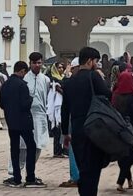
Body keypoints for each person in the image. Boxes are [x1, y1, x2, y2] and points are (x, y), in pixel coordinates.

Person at [61, 46, 112, 196]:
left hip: (77, 130)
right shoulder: (94, 77)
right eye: (96, 61)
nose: (97, 64)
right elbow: (108, 95)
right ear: (90, 61)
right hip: (93, 128)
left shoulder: (69, 82)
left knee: (83, 168)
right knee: (93, 169)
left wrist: (65, 133)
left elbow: (65, 110)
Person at [0, 61, 46, 188]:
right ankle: (30, 177)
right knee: (31, 147)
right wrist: (30, 99)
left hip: (11, 122)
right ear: (23, 71)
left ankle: (16, 178)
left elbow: (1, 104)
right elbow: (25, 105)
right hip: (24, 122)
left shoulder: (6, 85)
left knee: (14, 149)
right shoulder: (22, 85)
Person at [112, 69, 133, 193]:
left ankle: (129, 180)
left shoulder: (115, 96)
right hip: (130, 130)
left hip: (117, 129)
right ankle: (121, 181)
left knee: (122, 156)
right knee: (129, 155)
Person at [24, 52, 51, 161]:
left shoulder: (45, 79)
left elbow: (47, 94)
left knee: (39, 143)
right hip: (27, 115)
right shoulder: (25, 79)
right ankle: (15, 172)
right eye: (34, 63)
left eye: (39, 63)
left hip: (40, 115)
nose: (37, 65)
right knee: (23, 145)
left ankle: (31, 170)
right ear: (30, 63)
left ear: (42, 63)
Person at [59, 57, 80, 189]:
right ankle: (77, 176)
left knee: (74, 150)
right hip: (77, 119)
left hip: (75, 119)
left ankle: (76, 177)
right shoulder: (90, 79)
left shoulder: (70, 83)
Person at [48, 61, 65, 157]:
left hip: (63, 105)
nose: (61, 69)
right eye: (59, 67)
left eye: (62, 67)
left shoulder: (64, 78)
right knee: (57, 129)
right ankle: (57, 151)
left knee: (63, 128)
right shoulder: (52, 79)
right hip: (55, 106)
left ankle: (64, 149)